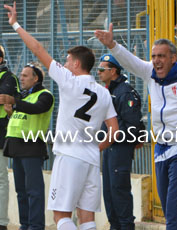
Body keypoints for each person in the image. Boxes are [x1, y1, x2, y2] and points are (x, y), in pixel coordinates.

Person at [95, 24, 177, 230]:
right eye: (154, 56)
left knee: (174, 218)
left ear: (173, 58)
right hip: (161, 150)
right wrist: (112, 45)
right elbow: (131, 62)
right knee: (174, 214)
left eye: (162, 56)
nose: (156, 60)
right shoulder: (151, 73)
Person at [4, 2, 119, 230]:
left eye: (67, 61)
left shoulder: (69, 81)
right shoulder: (104, 93)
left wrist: (15, 23)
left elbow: (37, 48)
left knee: (61, 217)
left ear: (76, 64)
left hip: (68, 156)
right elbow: (114, 131)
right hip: (91, 159)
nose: (64, 64)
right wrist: (96, 148)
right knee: (87, 219)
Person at [0, 62, 54, 230]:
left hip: (31, 147)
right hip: (16, 147)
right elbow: (20, 117)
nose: (21, 78)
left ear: (35, 78)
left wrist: (14, 102)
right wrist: (11, 112)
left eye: (25, 75)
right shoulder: (23, 96)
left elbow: (36, 109)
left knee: (34, 191)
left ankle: (36, 226)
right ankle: (25, 225)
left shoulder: (45, 95)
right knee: (21, 192)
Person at [98, 54, 144, 230]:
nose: (99, 73)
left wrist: (112, 138)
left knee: (119, 191)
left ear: (113, 71)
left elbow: (132, 125)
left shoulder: (124, 92)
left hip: (120, 149)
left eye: (102, 69)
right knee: (109, 193)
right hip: (110, 148)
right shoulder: (110, 91)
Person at [0, 45, 19, 230]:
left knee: (1, 178)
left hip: (1, 132)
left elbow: (4, 97)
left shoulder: (8, 77)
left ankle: (2, 221)